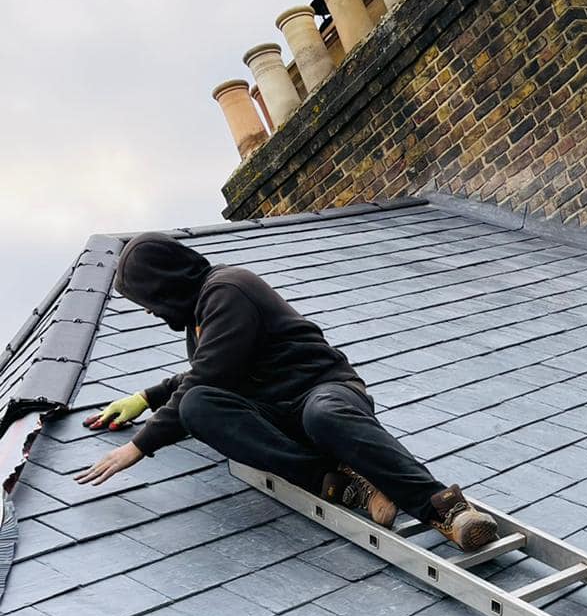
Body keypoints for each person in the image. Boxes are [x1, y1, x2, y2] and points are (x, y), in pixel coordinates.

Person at [76, 233, 500, 552]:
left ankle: (446, 511)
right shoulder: (200, 316)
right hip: (277, 412)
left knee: (322, 414)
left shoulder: (228, 289)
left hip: (323, 391)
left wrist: (138, 446)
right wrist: (146, 398)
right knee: (197, 406)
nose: (150, 311)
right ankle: (343, 483)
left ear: (164, 283)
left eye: (146, 300)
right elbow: (204, 376)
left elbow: (209, 372)